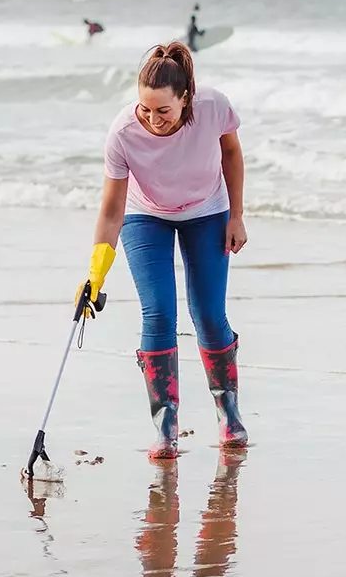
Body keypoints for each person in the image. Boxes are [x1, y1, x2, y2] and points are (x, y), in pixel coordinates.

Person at [79, 42, 248, 459]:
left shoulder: (213, 106)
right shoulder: (122, 133)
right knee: (157, 312)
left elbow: (230, 151)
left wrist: (237, 216)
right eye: (145, 109)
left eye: (163, 111)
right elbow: (112, 207)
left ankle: (229, 413)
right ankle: (166, 427)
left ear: (185, 98)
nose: (152, 120)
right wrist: (95, 275)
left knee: (209, 315)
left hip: (208, 210)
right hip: (145, 215)